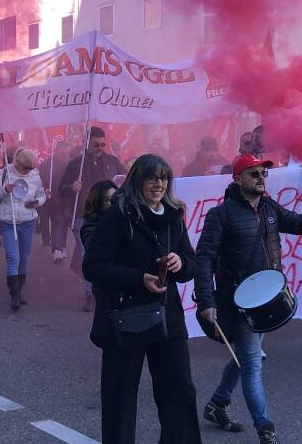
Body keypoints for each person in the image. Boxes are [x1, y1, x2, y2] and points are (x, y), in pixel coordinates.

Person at [195, 154, 302, 444]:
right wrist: (205, 300)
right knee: (251, 363)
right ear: (238, 179)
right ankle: (266, 428)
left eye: (264, 172)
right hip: (236, 302)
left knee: (245, 359)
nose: (262, 177)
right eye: (254, 173)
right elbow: (204, 258)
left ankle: (217, 404)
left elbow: (299, 224)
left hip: (266, 300)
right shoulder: (220, 215)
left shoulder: (269, 208)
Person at [82, 154, 200, 444]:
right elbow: (93, 266)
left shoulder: (174, 215)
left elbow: (191, 263)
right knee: (120, 399)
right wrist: (138, 278)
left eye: (164, 178)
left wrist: (180, 263)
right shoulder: (118, 216)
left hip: (167, 318)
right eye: (151, 177)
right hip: (125, 317)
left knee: (180, 391)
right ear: (138, 180)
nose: (159, 184)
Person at [0, 148, 46, 312]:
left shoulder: (35, 174)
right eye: (26, 167)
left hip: (28, 220)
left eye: (31, 167)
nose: (29, 170)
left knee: (25, 258)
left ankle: (19, 291)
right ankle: (14, 295)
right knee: (13, 257)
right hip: (8, 221)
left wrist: (37, 202)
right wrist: (4, 190)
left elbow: (41, 194)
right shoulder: (4, 173)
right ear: (17, 162)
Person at [59, 126, 127, 262]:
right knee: (88, 254)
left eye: (103, 144)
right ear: (86, 143)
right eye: (96, 144)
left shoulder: (113, 161)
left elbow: (125, 179)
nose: (100, 147)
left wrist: (122, 182)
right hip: (83, 216)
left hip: (109, 215)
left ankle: (91, 275)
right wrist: (71, 187)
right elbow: (61, 188)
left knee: (107, 252)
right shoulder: (75, 163)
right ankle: (90, 281)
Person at [72, 179, 117, 312]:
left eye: (115, 199)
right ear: (98, 202)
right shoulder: (90, 225)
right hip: (104, 286)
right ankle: (90, 295)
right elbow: (95, 252)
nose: (112, 203)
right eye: (107, 200)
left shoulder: (124, 218)